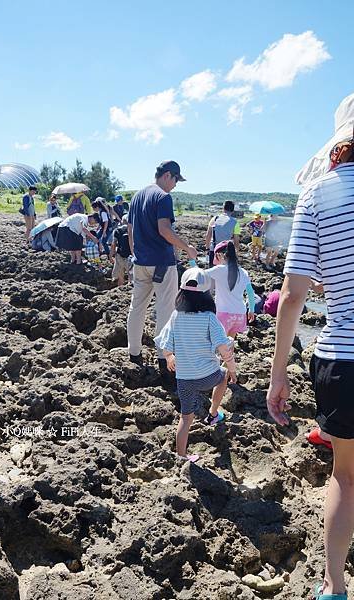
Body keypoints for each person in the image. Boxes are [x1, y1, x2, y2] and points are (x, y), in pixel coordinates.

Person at [267, 93, 354, 600]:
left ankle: (334, 585)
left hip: (342, 357)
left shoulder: (317, 194)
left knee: (346, 475)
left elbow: (292, 297)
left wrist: (279, 373)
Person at [155, 267, 236, 462]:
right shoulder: (209, 318)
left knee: (186, 418)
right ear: (207, 295)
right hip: (208, 376)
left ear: (181, 293)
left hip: (184, 380)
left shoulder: (176, 316)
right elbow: (224, 349)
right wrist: (233, 370)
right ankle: (213, 413)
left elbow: (164, 342)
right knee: (223, 375)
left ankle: (181, 455)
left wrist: (169, 357)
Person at [127, 160, 197, 371]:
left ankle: (134, 354)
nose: (175, 185)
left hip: (140, 262)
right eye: (176, 180)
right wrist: (187, 248)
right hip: (162, 263)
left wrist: (135, 253)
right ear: (168, 175)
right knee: (165, 310)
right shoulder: (163, 197)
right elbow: (165, 230)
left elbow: (130, 229)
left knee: (137, 308)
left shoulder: (137, 196)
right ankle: (162, 360)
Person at [207, 240, 255, 337]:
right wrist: (251, 310)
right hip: (240, 314)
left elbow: (198, 274)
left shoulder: (219, 270)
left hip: (224, 314)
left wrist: (191, 260)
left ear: (220, 255)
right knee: (230, 341)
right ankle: (230, 353)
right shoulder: (243, 272)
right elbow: (250, 292)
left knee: (219, 343)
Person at [205, 201, 240, 266]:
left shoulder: (214, 219)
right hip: (226, 252)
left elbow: (208, 235)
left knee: (211, 272)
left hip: (214, 249)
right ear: (233, 210)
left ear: (223, 209)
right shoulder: (235, 222)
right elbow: (236, 240)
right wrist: (236, 252)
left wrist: (207, 248)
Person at [110, 215, 132, 286]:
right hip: (131, 255)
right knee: (131, 274)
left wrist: (111, 255)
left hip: (120, 254)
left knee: (120, 274)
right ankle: (129, 287)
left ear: (123, 221)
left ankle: (120, 287)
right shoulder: (134, 229)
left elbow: (113, 244)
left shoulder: (117, 230)